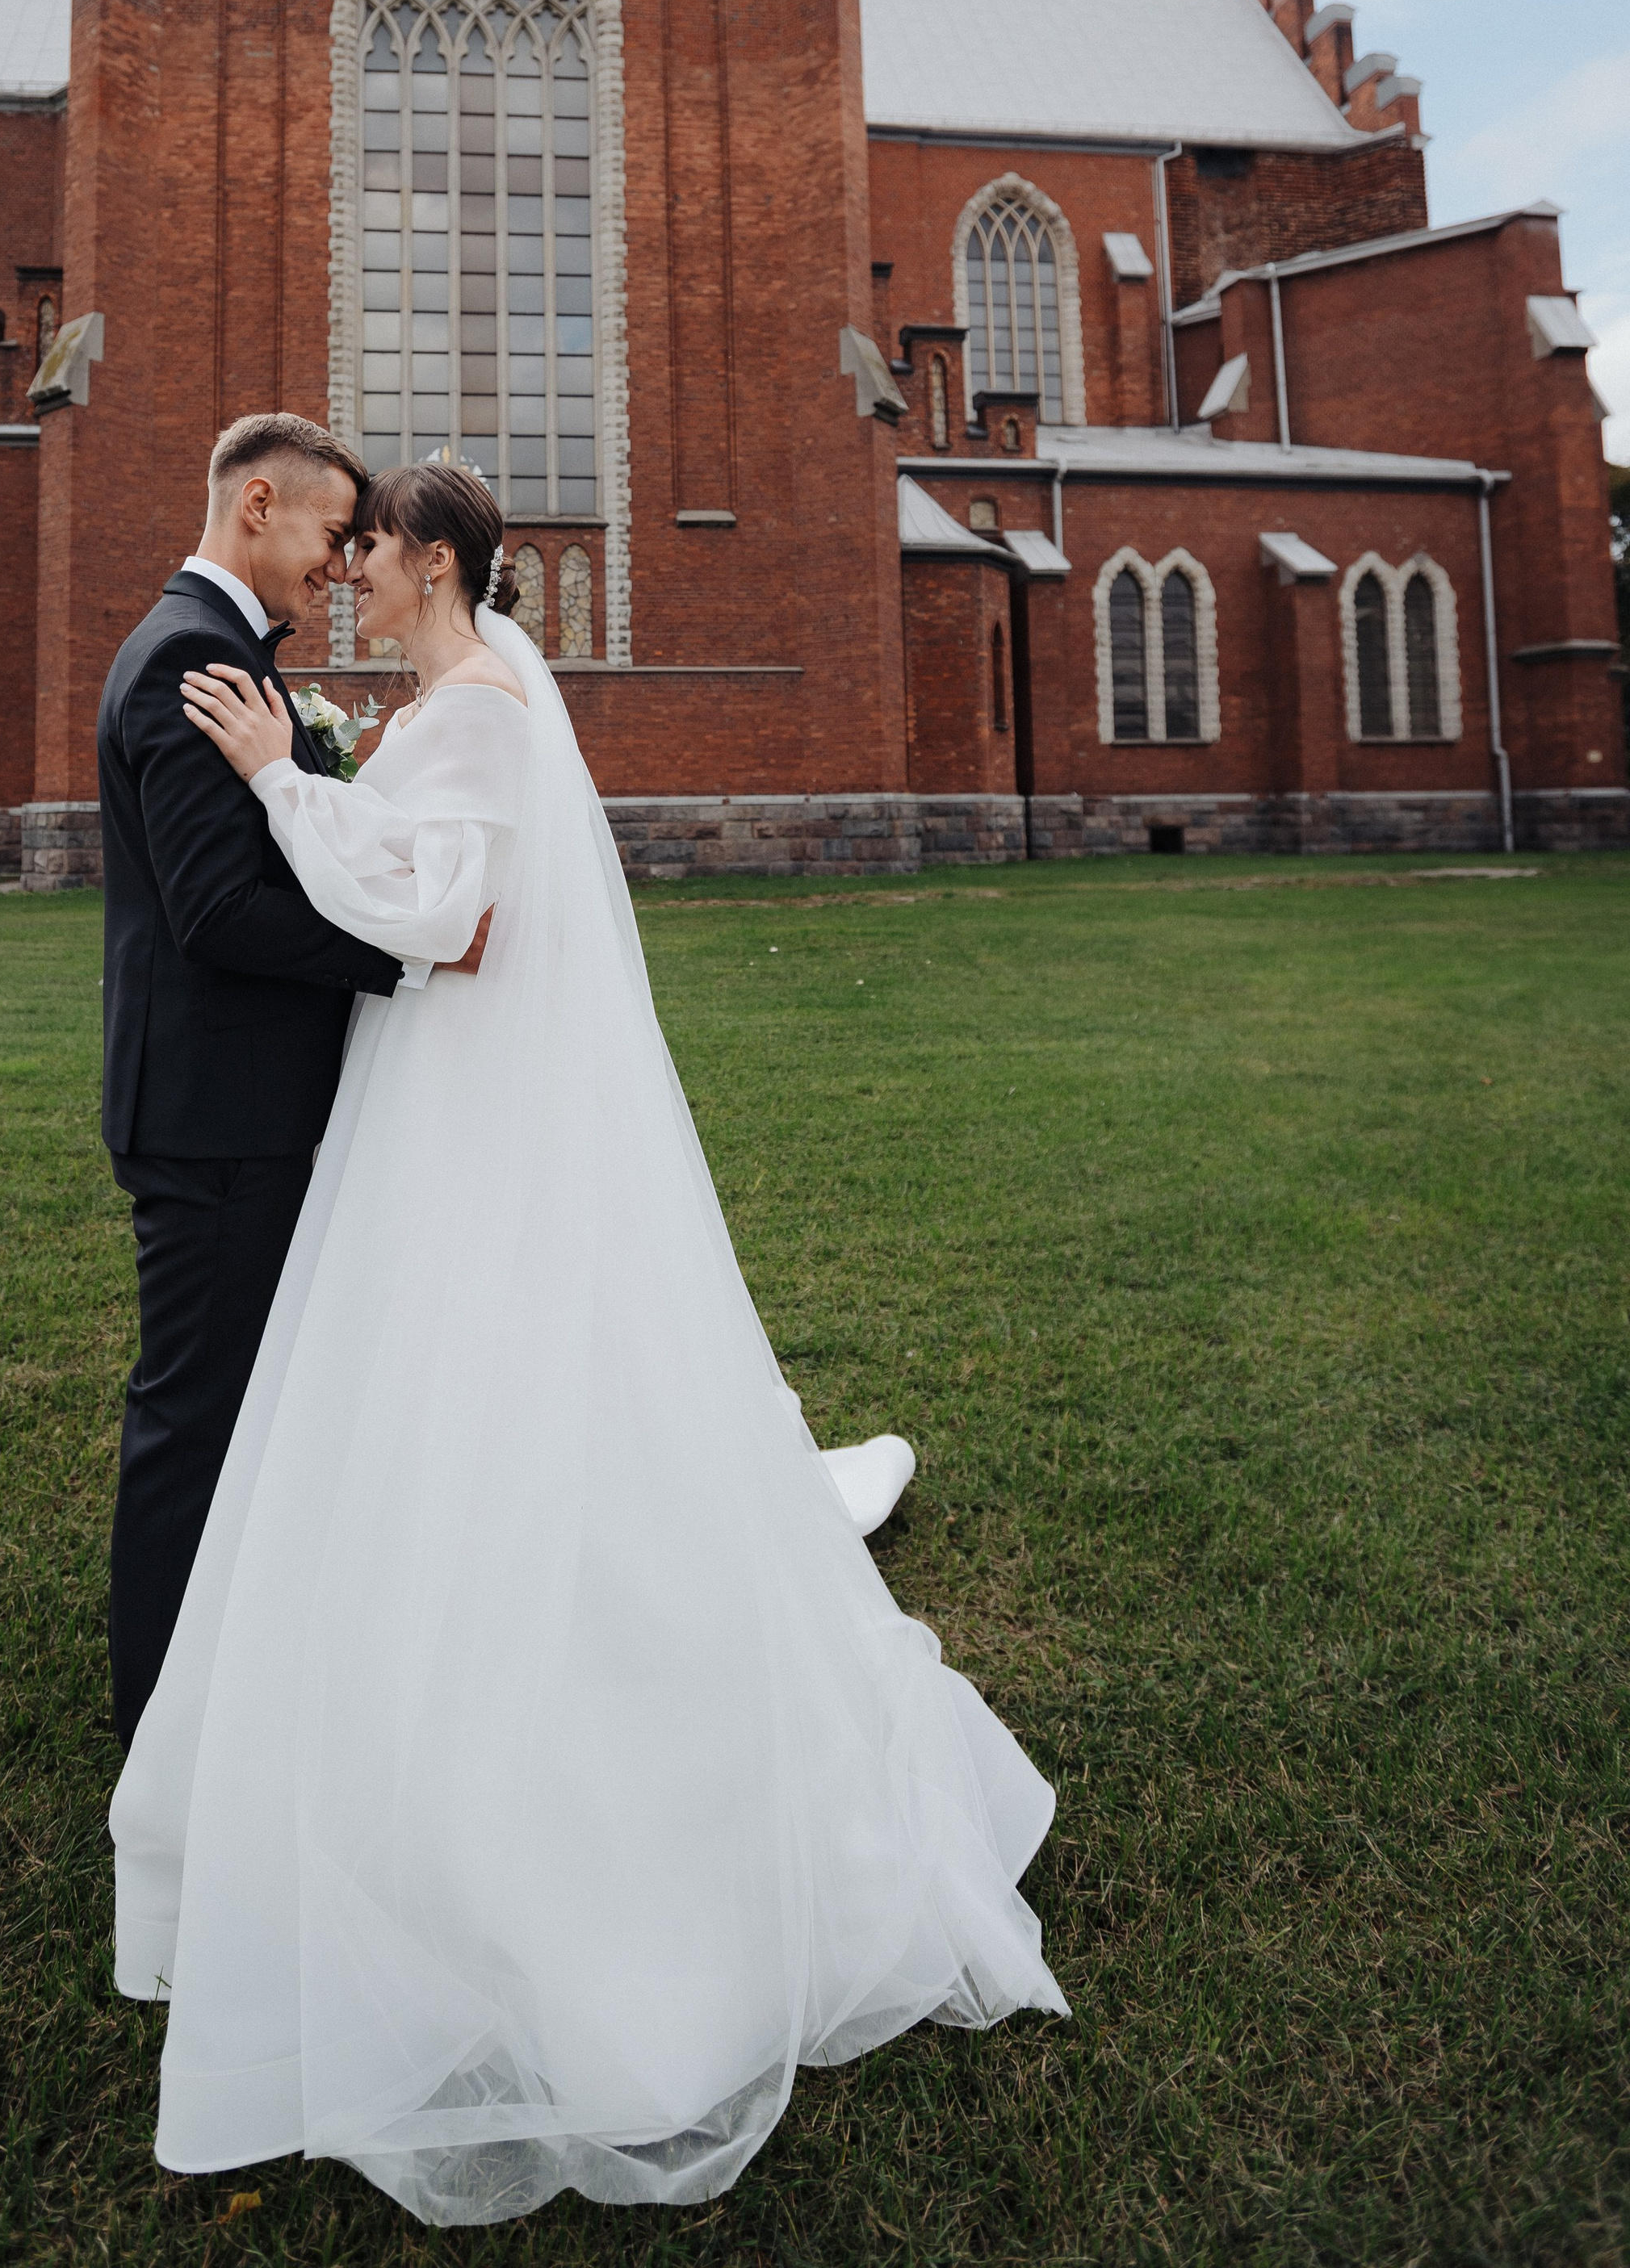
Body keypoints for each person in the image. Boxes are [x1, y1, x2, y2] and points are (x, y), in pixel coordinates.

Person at [110, 459, 1067, 2226]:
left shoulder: (479, 707)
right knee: (428, 1376)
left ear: (437, 566)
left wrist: (281, 781)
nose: (352, 569)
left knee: (491, 1360)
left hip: (465, 1093)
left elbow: (434, 913)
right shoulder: (444, 708)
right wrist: (316, 777)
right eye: (345, 543)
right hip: (422, 1080)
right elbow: (418, 881)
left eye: (374, 549)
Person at [94, 413, 486, 1751]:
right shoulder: (190, 658)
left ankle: (229, 1678)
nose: (338, 563)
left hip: (233, 1103)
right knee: (194, 1418)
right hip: (217, 1115)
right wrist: (411, 950)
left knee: (237, 1407)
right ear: (258, 504)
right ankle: (159, 1727)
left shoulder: (219, 650)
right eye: (330, 533)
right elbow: (216, 911)